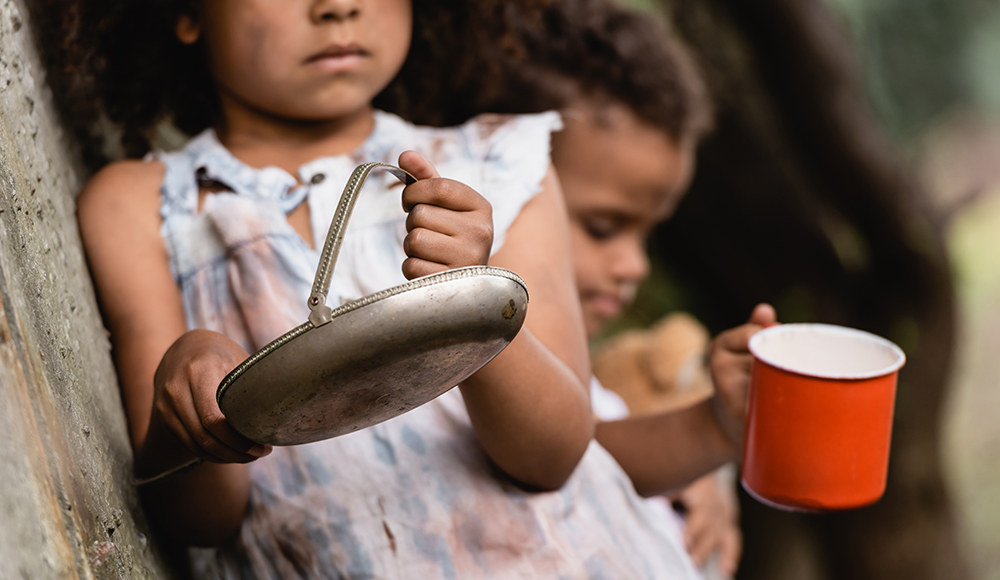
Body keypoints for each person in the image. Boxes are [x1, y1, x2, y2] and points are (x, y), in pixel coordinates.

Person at [69, 0, 719, 577]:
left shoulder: (501, 163)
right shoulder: (143, 209)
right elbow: (198, 521)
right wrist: (187, 383)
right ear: (185, 10)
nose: (337, 7)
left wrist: (469, 299)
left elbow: (551, 457)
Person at [382, 1, 776, 576]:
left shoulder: (589, 384)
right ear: (505, 179)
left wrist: (715, 430)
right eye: (602, 227)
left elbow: (590, 455)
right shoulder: (430, 353)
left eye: (647, 234)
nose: (634, 265)